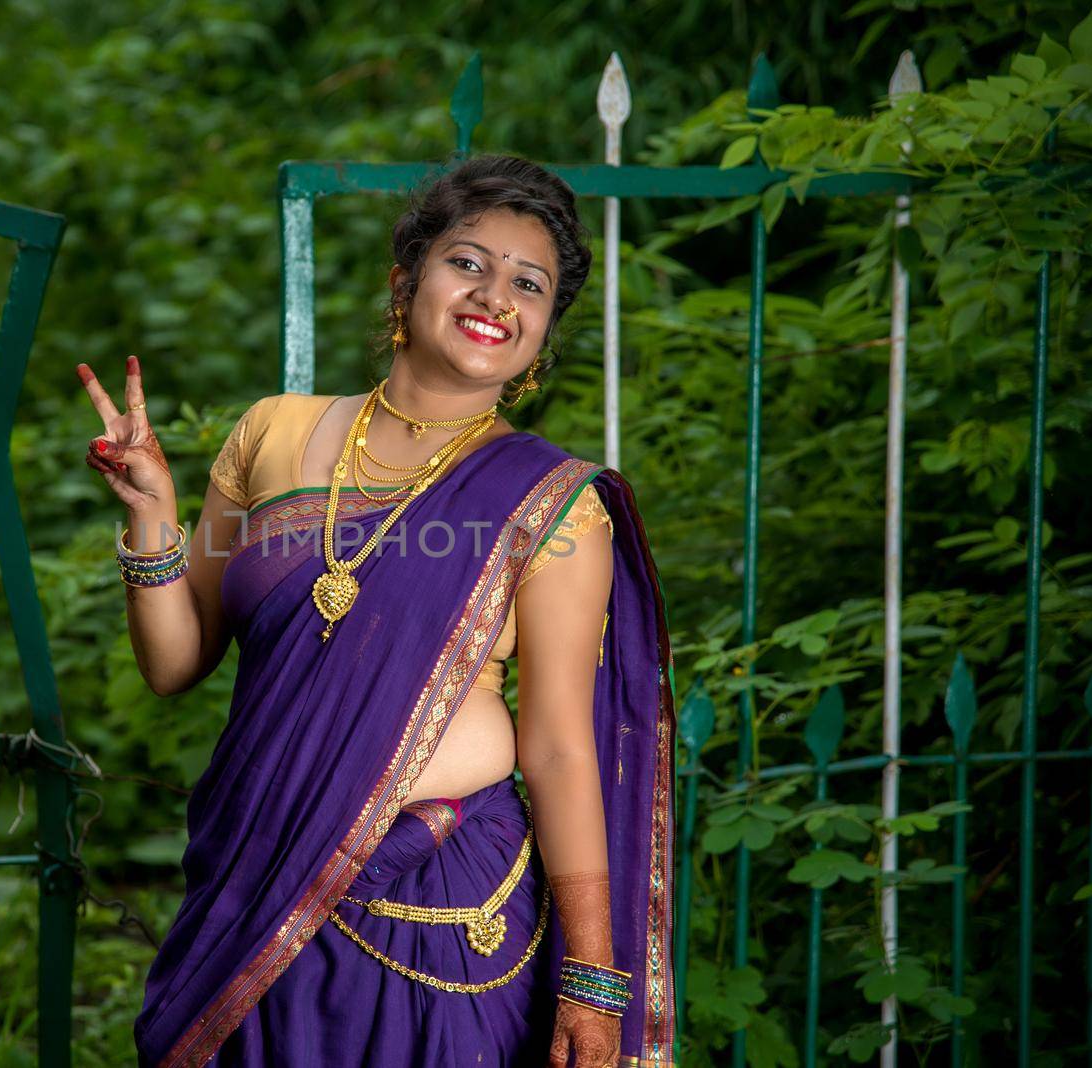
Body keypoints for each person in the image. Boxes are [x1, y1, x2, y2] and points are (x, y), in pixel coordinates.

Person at [77, 155, 676, 1068]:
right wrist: (152, 513)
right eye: (468, 263)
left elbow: (558, 747)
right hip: (259, 877)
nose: (496, 297)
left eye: (530, 284)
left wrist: (591, 978)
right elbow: (174, 661)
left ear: (544, 332)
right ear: (405, 281)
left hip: (440, 904)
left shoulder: (553, 505)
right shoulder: (271, 433)